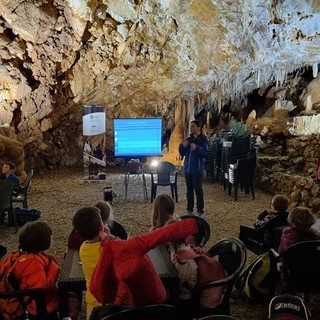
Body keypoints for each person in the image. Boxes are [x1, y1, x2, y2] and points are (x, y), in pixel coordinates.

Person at [71, 206, 198, 318]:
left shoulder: (83, 249)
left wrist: (110, 240)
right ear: (102, 226)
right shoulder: (122, 247)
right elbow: (154, 238)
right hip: (120, 306)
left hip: (94, 306)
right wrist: (188, 225)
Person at [165, 218, 227, 320]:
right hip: (193, 286)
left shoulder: (183, 261)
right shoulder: (185, 246)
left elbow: (176, 286)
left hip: (190, 297)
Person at [8, 221, 60, 319]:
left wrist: (48, 259)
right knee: (72, 302)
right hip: (41, 307)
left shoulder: (24, 255)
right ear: (43, 242)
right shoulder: (32, 263)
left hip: (35, 303)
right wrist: (54, 268)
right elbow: (42, 287)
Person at [179, 120, 208, 216]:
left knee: (198, 191)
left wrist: (197, 148)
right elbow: (182, 153)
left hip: (197, 169)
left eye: (193, 126)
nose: (191, 128)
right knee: (189, 191)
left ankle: (200, 211)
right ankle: (189, 210)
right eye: (190, 127)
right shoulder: (189, 139)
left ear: (199, 127)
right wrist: (182, 146)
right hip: (188, 169)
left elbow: (205, 154)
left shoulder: (203, 140)